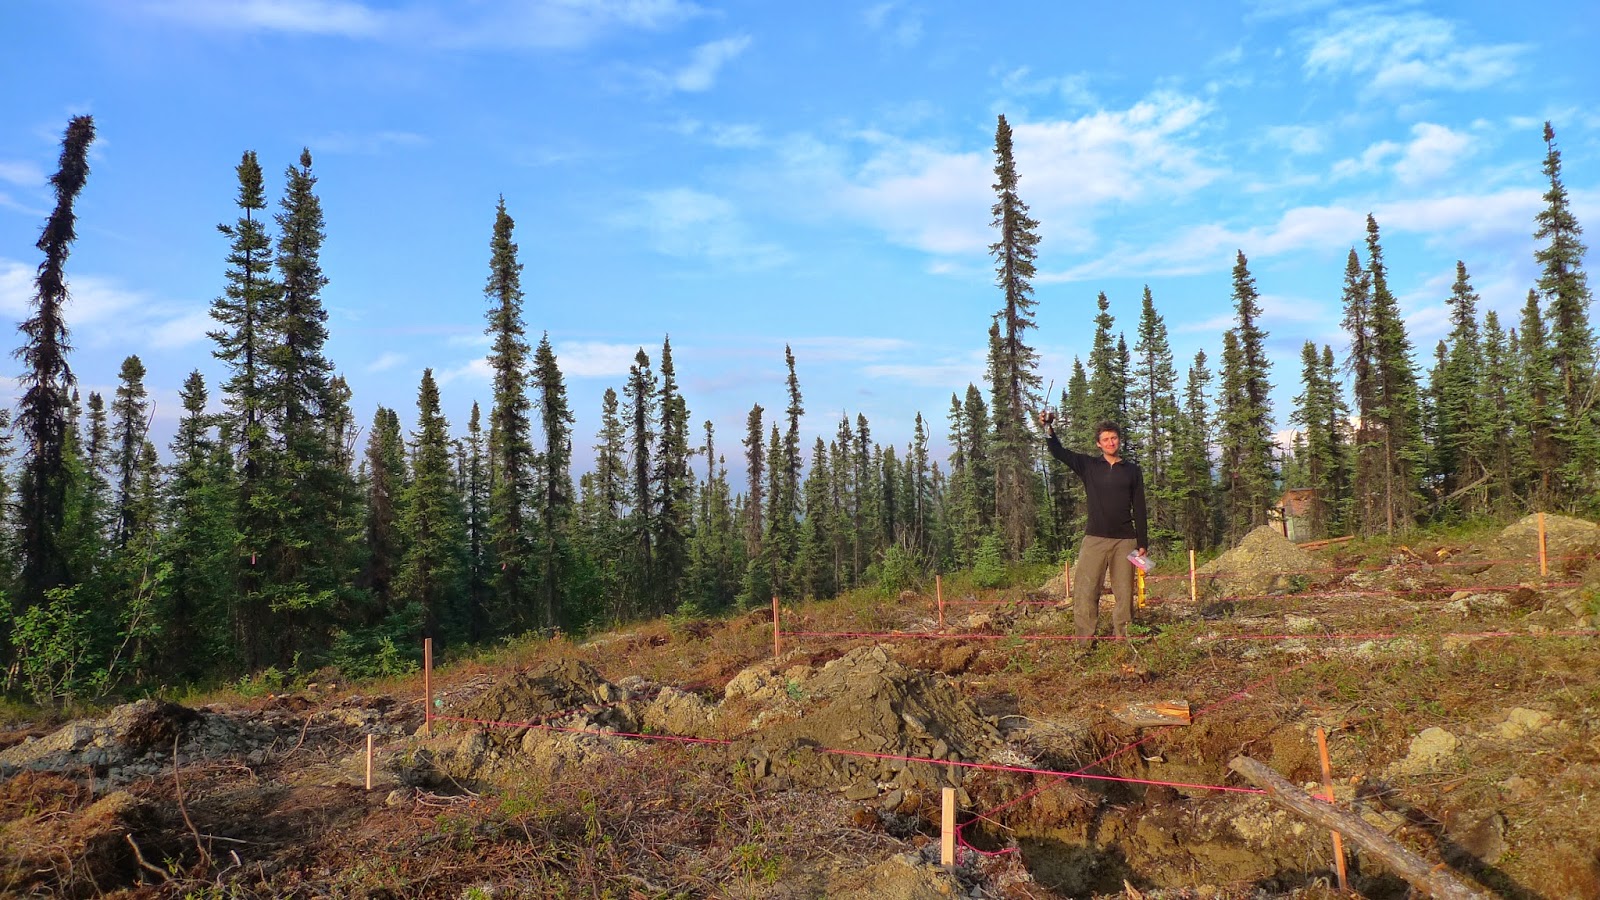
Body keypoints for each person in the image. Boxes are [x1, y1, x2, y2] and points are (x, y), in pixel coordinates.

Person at [1039, 413, 1148, 641]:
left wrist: (1142, 543)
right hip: (1094, 539)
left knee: (1125, 593)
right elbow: (1059, 452)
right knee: (1086, 591)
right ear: (1098, 443)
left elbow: (1139, 507)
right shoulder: (1088, 466)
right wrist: (1048, 427)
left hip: (1125, 541)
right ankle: (1084, 642)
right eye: (1106, 439)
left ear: (1119, 441)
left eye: (1114, 438)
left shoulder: (1132, 471)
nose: (1111, 443)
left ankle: (1124, 640)